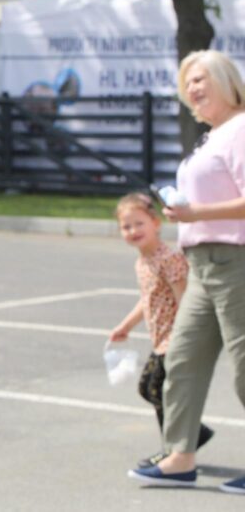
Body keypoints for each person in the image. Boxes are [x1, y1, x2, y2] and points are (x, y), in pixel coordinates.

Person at [128, 49, 245, 494]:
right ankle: (180, 457)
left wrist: (195, 213)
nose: (193, 89)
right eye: (188, 83)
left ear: (227, 80)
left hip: (236, 261)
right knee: (182, 358)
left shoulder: (241, 128)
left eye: (201, 79)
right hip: (201, 263)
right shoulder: (212, 137)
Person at [108, 193, 213, 468]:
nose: (133, 231)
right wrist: (126, 326)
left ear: (155, 223)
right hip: (160, 337)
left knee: (155, 389)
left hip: (175, 337)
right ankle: (187, 438)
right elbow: (147, 298)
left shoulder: (169, 258)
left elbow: (185, 298)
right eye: (126, 226)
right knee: (154, 390)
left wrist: (185, 336)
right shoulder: (143, 261)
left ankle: (176, 446)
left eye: (139, 223)